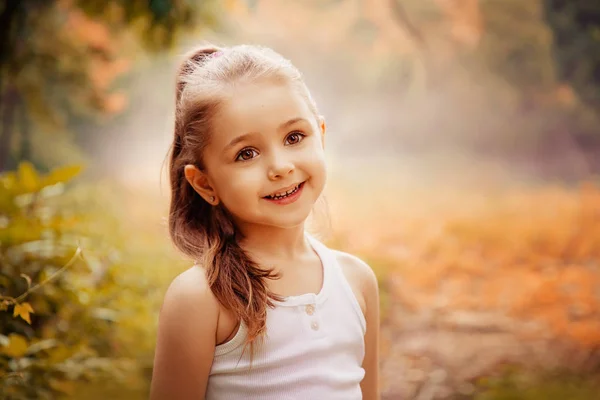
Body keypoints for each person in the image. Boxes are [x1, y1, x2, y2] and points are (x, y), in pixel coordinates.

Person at [150, 44, 380, 400]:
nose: (280, 167)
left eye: (294, 137)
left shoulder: (357, 282)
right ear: (205, 183)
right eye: (247, 153)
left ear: (320, 134)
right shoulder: (200, 299)